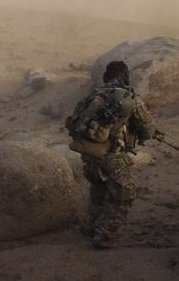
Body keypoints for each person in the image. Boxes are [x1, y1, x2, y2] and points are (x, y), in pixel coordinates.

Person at [66, 61, 155, 249]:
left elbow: (74, 122)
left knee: (99, 187)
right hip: (112, 154)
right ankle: (104, 233)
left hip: (88, 152)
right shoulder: (130, 97)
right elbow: (147, 130)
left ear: (107, 75)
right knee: (125, 193)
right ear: (125, 76)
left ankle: (91, 225)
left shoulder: (92, 95)